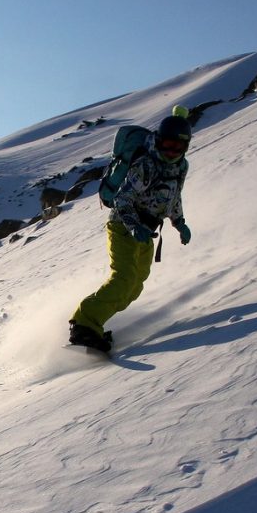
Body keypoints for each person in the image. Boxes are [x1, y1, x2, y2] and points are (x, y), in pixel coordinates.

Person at [69, 111, 193, 352]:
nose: (171, 151)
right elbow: (123, 199)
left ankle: (95, 327)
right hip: (123, 227)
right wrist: (134, 226)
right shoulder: (146, 164)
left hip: (147, 232)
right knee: (123, 278)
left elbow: (173, 197)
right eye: (167, 144)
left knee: (135, 286)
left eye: (177, 146)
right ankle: (84, 324)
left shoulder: (180, 167)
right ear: (158, 141)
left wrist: (180, 223)